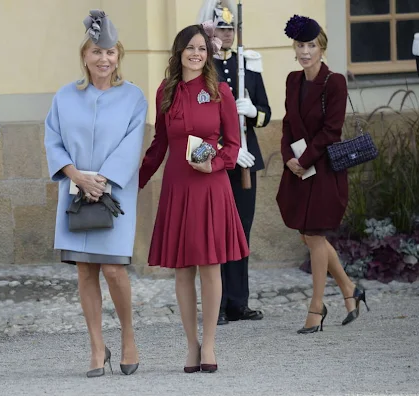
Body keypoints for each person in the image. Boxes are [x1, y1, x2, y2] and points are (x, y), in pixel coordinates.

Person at [139, 23, 249, 373]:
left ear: (208, 53)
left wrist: (215, 164)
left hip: (210, 186)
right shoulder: (165, 92)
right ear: (179, 52)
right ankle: (191, 345)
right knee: (183, 269)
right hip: (177, 186)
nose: (196, 53)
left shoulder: (221, 92)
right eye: (190, 47)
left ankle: (210, 345)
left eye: (202, 48)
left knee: (210, 265)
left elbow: (232, 145)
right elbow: (159, 144)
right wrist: (137, 180)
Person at [44, 10, 147, 377]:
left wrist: (101, 180)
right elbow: (53, 140)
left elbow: (132, 145)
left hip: (114, 195)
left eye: (110, 52)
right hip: (74, 192)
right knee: (85, 270)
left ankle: (129, 337)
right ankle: (96, 347)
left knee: (113, 269)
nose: (104, 59)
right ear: (84, 56)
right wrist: (76, 176)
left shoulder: (133, 97)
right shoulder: (64, 96)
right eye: (96, 52)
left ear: (118, 56)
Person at [277, 15, 369, 334]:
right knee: (307, 234)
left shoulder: (335, 82)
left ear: (322, 48)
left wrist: (304, 159)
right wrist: (289, 157)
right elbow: (288, 123)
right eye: (300, 45)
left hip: (325, 170)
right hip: (299, 169)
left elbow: (332, 131)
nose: (305, 52)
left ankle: (317, 307)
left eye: (311, 46)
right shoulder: (292, 80)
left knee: (315, 236)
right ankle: (349, 289)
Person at [197, 0, 270, 325]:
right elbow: (201, 120)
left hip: (246, 162)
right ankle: (220, 303)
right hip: (218, 162)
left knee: (242, 231)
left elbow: (266, 114)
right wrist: (226, 146)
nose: (226, 34)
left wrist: (253, 111)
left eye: (230, 29)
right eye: (221, 28)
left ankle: (239, 302)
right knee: (216, 233)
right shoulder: (203, 66)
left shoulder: (247, 66)